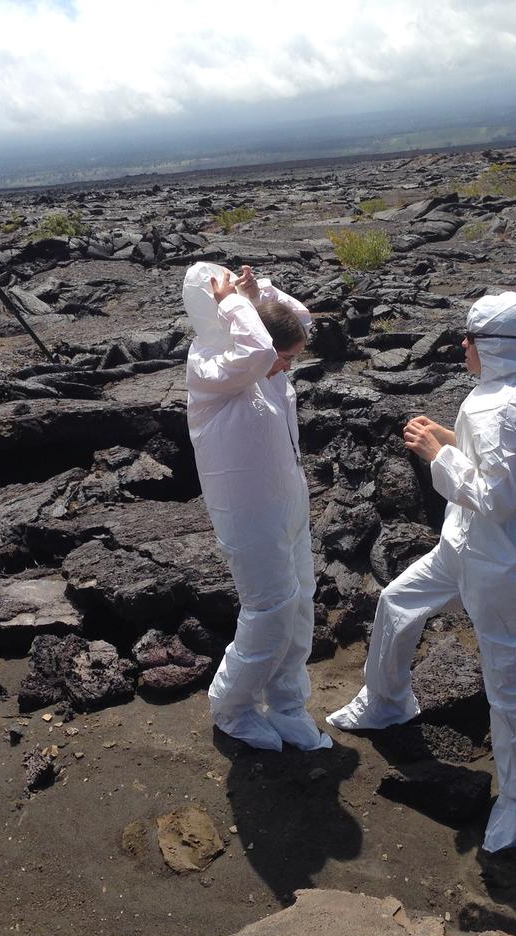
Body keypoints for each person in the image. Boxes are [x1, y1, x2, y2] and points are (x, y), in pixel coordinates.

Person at [327, 291, 516, 852]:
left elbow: (498, 497)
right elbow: (497, 468)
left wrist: (439, 455)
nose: (463, 345)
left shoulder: (502, 406)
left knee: (511, 683)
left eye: (473, 338)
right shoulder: (510, 390)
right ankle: (385, 701)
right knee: (398, 601)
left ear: (497, 347)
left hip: (502, 561)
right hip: (465, 544)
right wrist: (452, 442)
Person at [184, 261, 331, 752]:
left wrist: (257, 290)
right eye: (285, 358)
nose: (286, 365)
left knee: (301, 600)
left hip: (289, 502)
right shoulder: (212, 365)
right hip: (247, 513)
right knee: (269, 608)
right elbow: (260, 348)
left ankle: (286, 702)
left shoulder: (261, 363)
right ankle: (232, 705)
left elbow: (299, 320)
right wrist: (232, 303)